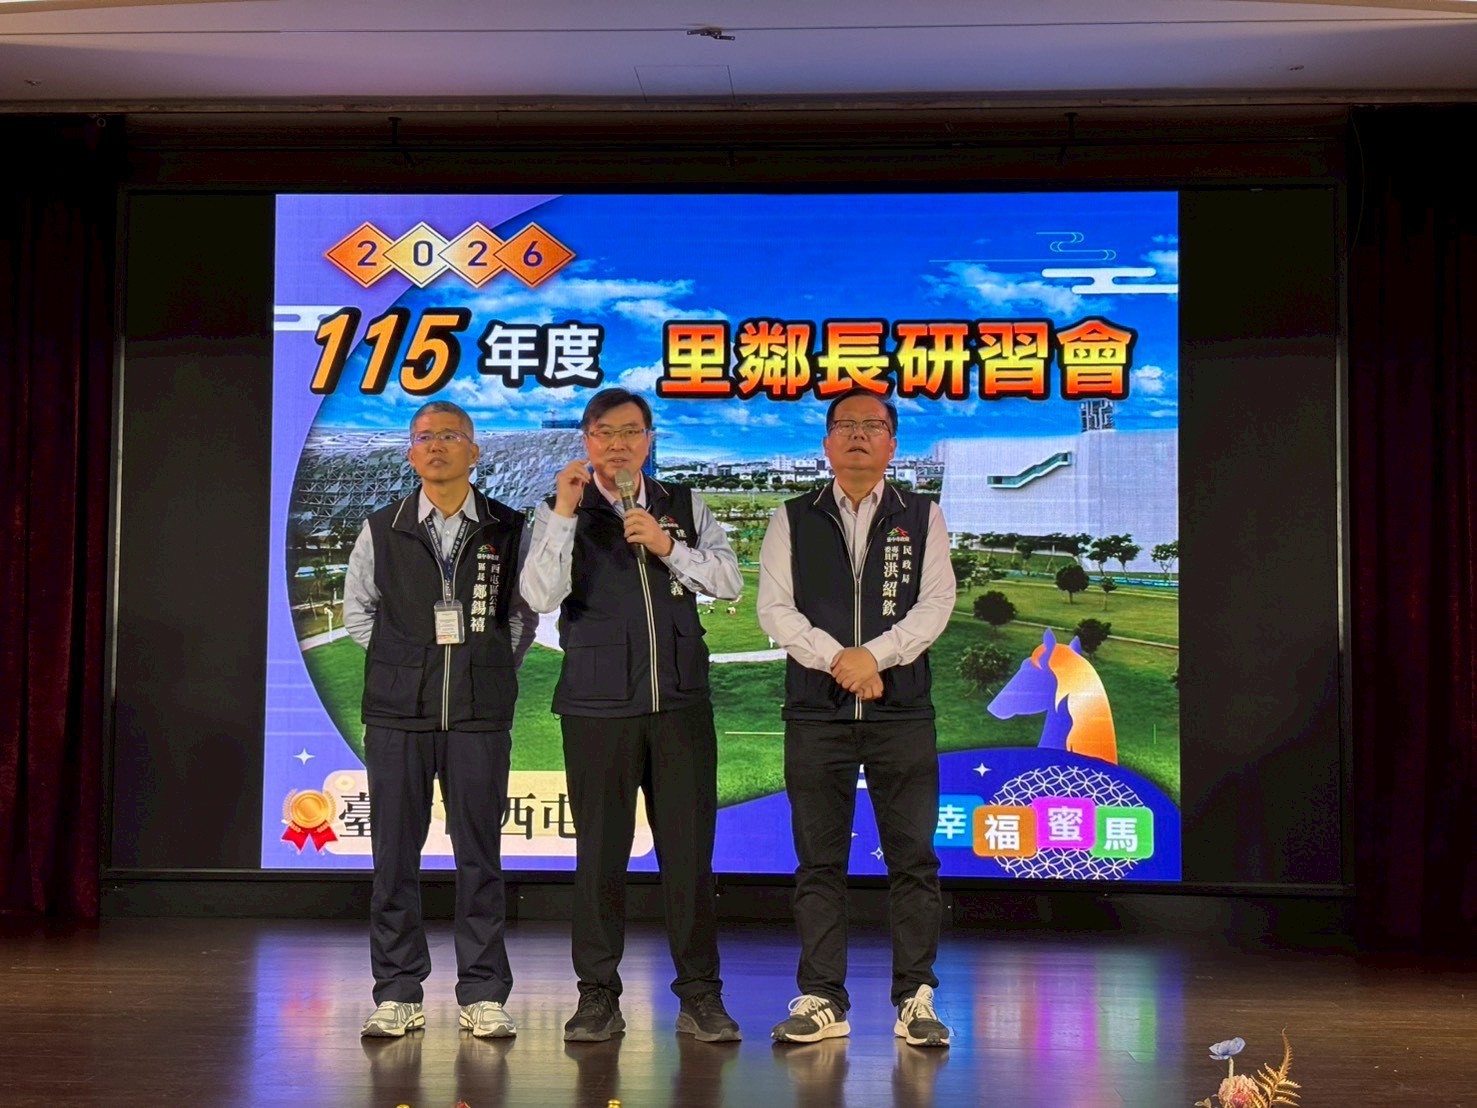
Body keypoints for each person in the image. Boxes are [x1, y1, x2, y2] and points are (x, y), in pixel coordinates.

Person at [520, 387, 743, 1044]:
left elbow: (729, 581)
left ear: (649, 439)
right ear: (586, 440)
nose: (617, 445)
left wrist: (668, 546)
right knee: (599, 857)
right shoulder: (559, 507)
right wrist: (564, 514)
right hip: (596, 708)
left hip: (679, 706)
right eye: (604, 433)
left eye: (630, 432)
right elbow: (539, 594)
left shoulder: (684, 505)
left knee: (689, 857)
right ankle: (596, 996)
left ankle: (700, 995)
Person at [757, 391, 956, 1048]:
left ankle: (915, 997)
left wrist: (875, 656)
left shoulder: (922, 515)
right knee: (818, 862)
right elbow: (775, 610)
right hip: (816, 714)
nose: (858, 436)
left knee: (913, 860)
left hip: (902, 713)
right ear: (826, 443)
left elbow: (935, 605)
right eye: (845, 425)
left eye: (873, 425)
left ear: (892, 443)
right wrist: (840, 662)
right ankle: (822, 997)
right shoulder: (792, 516)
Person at [343, 400, 535, 1039]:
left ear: (474, 452)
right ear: (410, 453)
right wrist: (407, 667)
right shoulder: (382, 528)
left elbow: (521, 617)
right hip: (398, 716)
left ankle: (483, 992)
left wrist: (482, 666)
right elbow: (358, 614)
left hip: (480, 715)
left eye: (450, 435)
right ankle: (398, 991)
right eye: (424, 436)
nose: (435, 445)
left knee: (480, 858)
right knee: (394, 857)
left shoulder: (508, 527)